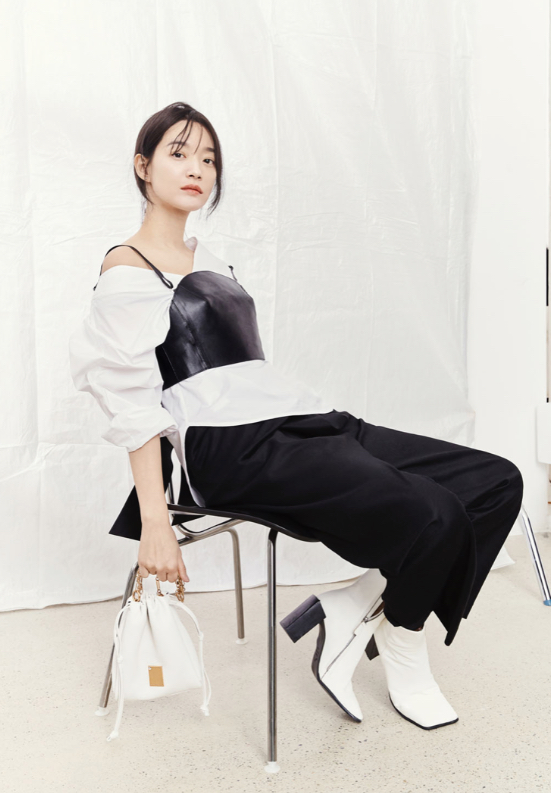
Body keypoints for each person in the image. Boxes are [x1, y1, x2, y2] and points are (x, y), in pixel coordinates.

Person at [68, 101, 524, 732]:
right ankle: (403, 644)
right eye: (179, 153)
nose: (197, 168)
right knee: (436, 512)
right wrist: (155, 521)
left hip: (296, 419)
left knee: (495, 483)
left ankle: (358, 605)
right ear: (143, 166)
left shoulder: (214, 261)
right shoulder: (126, 270)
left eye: (209, 159)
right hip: (231, 451)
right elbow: (133, 405)